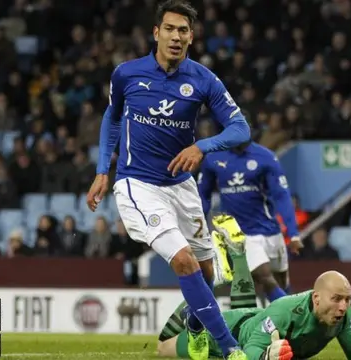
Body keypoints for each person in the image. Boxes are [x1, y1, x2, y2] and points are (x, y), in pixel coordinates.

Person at [85, 1, 250, 359]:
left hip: (181, 185)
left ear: (191, 37)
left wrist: (203, 146)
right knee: (184, 261)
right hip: (137, 185)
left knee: (207, 273)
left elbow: (241, 128)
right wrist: (102, 170)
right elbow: (112, 119)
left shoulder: (203, 79)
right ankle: (231, 350)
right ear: (156, 32)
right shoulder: (126, 74)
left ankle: (195, 329)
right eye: (170, 29)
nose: (176, 37)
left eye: (183, 31)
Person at [157, 245, 351, 360]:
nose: (343, 306)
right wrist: (265, 358)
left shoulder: (343, 314)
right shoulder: (286, 311)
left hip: (256, 318)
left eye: (347, 299)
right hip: (232, 332)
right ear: (316, 297)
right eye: (336, 299)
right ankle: (194, 312)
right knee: (163, 349)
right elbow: (249, 352)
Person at [199, 141, 302, 303]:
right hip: (241, 235)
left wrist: (293, 233)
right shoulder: (213, 159)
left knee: (282, 284)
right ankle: (292, 316)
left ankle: (288, 320)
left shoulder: (265, 157)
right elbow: (203, 195)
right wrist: (197, 228)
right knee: (265, 278)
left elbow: (281, 195)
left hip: (271, 232)